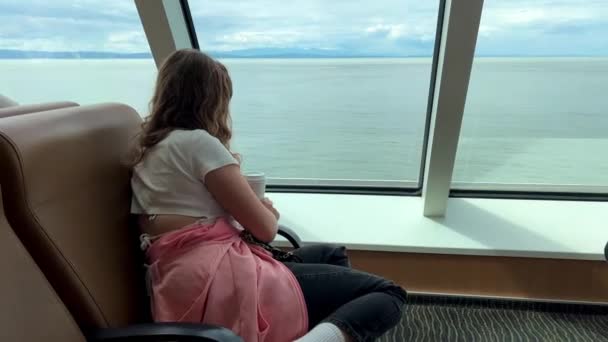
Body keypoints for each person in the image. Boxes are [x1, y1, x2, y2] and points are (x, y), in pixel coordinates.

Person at [130, 48, 407, 342]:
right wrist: (267, 213)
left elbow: (189, 212)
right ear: (211, 100)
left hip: (176, 277)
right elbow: (264, 229)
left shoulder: (150, 149)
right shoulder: (200, 143)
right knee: (388, 294)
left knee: (331, 254)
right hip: (218, 277)